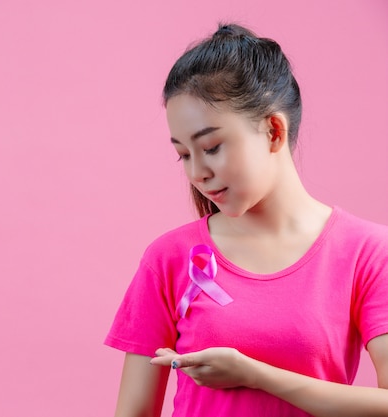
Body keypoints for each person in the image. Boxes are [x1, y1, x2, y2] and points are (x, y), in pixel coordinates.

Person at [105, 23, 388, 417]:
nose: (197, 173)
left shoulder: (368, 252)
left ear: (273, 131)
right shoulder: (168, 257)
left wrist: (256, 375)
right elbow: (133, 411)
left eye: (211, 147)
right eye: (183, 155)